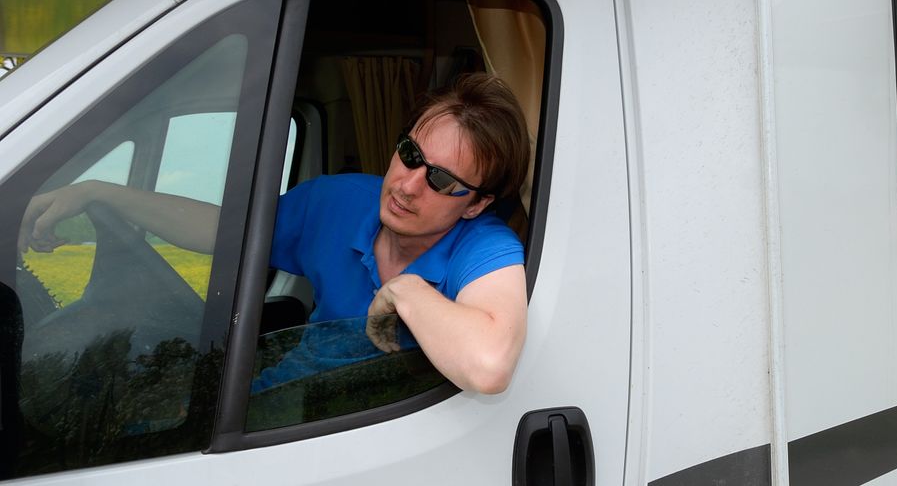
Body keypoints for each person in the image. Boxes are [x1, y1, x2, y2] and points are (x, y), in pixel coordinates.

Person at [18, 72, 531, 394]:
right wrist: (102, 192)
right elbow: (225, 229)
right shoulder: (340, 200)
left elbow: (488, 368)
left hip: (356, 424)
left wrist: (407, 289)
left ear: (478, 203)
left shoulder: (485, 247)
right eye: (411, 155)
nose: (408, 184)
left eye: (442, 179)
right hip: (287, 395)